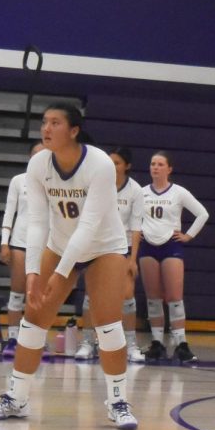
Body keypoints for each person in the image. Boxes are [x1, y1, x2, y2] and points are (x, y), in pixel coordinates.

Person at [0, 102, 137, 430]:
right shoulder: (38, 164)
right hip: (60, 244)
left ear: (74, 131)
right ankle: (17, 398)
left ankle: (118, 401)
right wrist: (34, 272)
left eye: (55, 123)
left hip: (104, 248)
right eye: (44, 122)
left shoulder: (100, 164)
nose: (46, 129)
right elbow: (37, 222)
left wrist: (63, 272)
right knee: (33, 320)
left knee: (108, 327)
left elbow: (90, 226)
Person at [75, 147, 145, 364]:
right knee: (90, 295)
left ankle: (131, 344)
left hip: (120, 247)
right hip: (96, 244)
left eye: (117, 162)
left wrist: (133, 259)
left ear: (127, 166)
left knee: (127, 294)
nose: (113, 166)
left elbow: (136, 227)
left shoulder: (135, 190)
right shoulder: (97, 183)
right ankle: (87, 341)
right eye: (110, 162)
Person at [138, 150, 209, 362]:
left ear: (169, 169)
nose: (155, 167)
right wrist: (135, 230)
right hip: (147, 246)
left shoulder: (178, 192)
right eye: (152, 164)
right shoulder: (140, 193)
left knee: (175, 298)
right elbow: (128, 216)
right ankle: (157, 343)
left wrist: (188, 235)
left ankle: (181, 343)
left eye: (160, 164)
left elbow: (203, 213)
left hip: (171, 246)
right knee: (153, 298)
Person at [0, 142, 43, 358]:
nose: (38, 156)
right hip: (19, 242)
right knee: (17, 293)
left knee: (37, 296)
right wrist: (4, 242)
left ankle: (34, 340)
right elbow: (9, 212)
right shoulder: (18, 181)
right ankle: (13, 339)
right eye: (34, 153)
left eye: (43, 154)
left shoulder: (55, 182)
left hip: (44, 245)